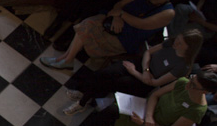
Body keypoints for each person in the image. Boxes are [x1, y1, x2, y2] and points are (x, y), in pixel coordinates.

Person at [43, 0, 176, 70]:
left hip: (126, 37)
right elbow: (120, 4)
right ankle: (66, 59)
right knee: (88, 23)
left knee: (88, 27)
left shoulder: (168, 13)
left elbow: (141, 24)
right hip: (114, 21)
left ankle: (66, 60)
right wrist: (117, 16)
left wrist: (121, 14)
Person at [57, 72, 217, 126]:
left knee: (111, 112)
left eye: (194, 85)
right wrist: (148, 115)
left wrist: (145, 123)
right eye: (192, 79)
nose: (189, 84)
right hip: (147, 110)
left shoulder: (197, 110)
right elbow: (156, 95)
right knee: (111, 108)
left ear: (205, 92)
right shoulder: (183, 82)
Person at [62, 29, 203, 116]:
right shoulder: (170, 43)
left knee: (115, 83)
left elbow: (154, 82)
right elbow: (148, 52)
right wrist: (145, 69)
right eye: (177, 40)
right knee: (105, 73)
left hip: (144, 82)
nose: (175, 44)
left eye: (180, 44)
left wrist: (135, 72)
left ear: (189, 48)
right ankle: (85, 94)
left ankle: (82, 102)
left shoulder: (183, 66)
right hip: (142, 66)